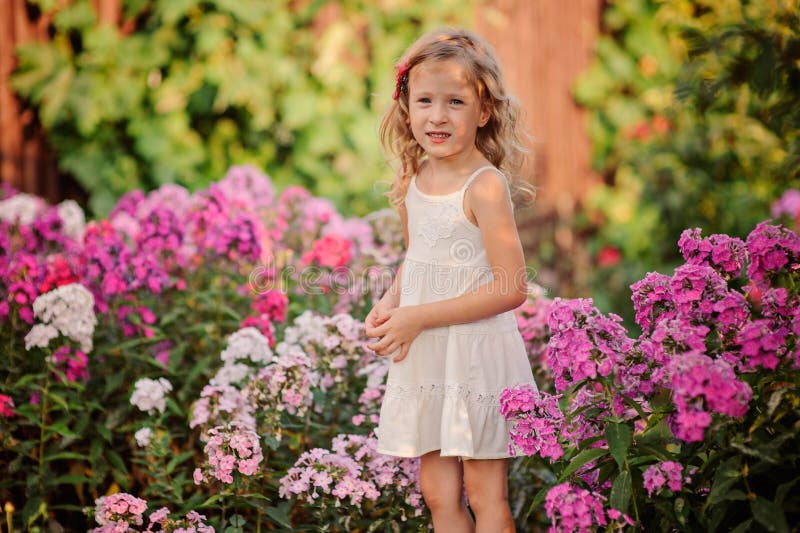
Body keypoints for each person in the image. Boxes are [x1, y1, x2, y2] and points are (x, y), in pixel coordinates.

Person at [364, 28, 538, 533]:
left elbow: (511, 288)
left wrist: (417, 316)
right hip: (429, 357)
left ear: (483, 112)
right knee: (437, 493)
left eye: (455, 102)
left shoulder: (484, 185)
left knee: (485, 495)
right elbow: (418, 259)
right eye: (424, 101)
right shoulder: (414, 178)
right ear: (406, 108)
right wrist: (391, 301)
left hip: (475, 355)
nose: (437, 116)